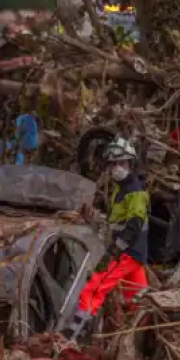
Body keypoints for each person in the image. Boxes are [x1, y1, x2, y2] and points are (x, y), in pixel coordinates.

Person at [63, 137, 149, 339]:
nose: (116, 169)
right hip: (134, 253)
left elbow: (134, 225)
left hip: (127, 251)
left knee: (95, 288)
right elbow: (115, 221)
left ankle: (74, 337)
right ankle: (138, 337)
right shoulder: (121, 190)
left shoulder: (135, 192)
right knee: (137, 296)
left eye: (121, 164)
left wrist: (115, 250)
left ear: (131, 164)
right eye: (113, 165)